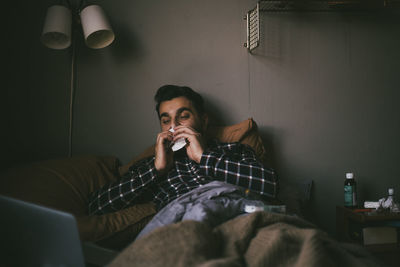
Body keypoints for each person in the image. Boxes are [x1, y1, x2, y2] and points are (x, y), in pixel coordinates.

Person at [88, 85, 277, 215]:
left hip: (235, 213)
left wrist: (204, 158)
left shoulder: (233, 150)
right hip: (186, 224)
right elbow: (97, 206)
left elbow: (269, 185)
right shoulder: (151, 166)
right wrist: (156, 170)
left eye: (183, 116)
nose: (174, 126)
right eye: (166, 120)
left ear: (203, 121)